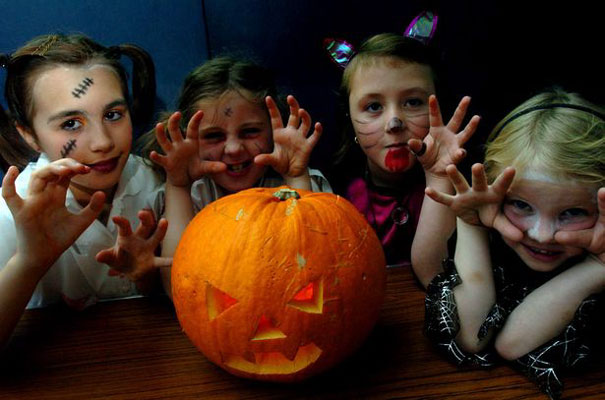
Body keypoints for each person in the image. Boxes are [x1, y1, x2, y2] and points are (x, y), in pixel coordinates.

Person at [424, 88, 605, 399]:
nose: (542, 234)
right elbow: (471, 336)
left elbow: (511, 343)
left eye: (573, 212)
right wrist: (472, 223)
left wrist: (599, 266)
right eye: (521, 205)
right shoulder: (497, 241)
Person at [0, 34, 168, 348]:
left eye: (113, 115)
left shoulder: (156, 184)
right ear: (29, 136)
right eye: (71, 124)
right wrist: (29, 261)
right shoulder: (10, 214)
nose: (103, 141)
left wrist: (147, 279)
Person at [137, 57, 331, 295]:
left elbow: (319, 269)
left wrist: (295, 175)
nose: (234, 149)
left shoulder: (305, 185)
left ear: (273, 130)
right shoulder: (183, 197)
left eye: (250, 131)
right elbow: (179, 289)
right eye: (214, 136)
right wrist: (178, 185)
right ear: (190, 139)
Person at [332, 32, 479, 285]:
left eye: (412, 102)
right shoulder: (339, 197)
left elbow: (435, 278)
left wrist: (438, 176)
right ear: (350, 119)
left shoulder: (463, 192)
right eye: (374, 107)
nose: (394, 122)